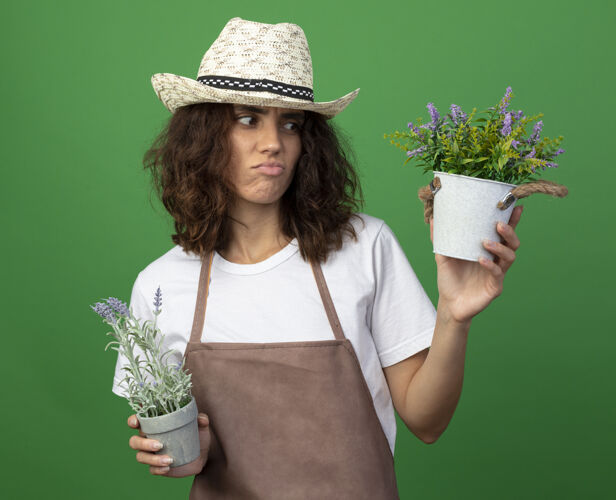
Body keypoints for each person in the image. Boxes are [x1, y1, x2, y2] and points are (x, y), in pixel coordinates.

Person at [112, 17, 523, 499]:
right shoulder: (160, 288)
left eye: (291, 124)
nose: (274, 143)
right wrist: (184, 453)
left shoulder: (364, 247)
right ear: (203, 136)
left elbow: (427, 421)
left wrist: (454, 316)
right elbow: (183, 456)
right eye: (248, 119)